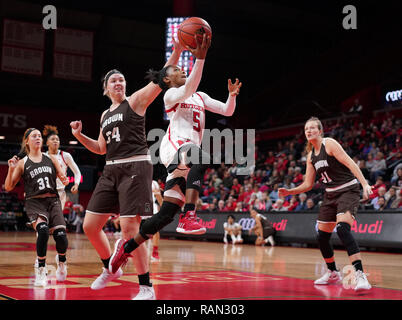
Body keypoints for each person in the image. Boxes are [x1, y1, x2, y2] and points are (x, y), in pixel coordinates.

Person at [109, 34, 242, 275]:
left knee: (164, 215)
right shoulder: (170, 95)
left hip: (188, 157)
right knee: (199, 154)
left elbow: (227, 111)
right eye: (179, 70)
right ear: (169, 79)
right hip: (175, 149)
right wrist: (200, 59)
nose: (183, 71)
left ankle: (125, 248)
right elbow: (190, 84)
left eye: (184, 69)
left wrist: (231, 96)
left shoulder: (200, 97)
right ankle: (189, 216)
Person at [69, 35, 185, 300]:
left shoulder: (134, 101)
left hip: (135, 166)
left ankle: (146, 288)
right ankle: (110, 266)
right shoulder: (104, 115)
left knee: (130, 229)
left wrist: (177, 51)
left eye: (121, 79)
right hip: (111, 169)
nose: (118, 82)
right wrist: (78, 136)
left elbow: (160, 79)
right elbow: (100, 148)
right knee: (90, 225)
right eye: (113, 80)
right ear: (106, 89)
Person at [278, 116, 373, 291]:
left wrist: (365, 184)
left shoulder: (329, 144)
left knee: (343, 229)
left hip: (347, 190)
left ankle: (360, 276)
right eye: (307, 129)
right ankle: (332, 273)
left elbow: (351, 163)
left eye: (313, 128)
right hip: (330, 196)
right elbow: (308, 184)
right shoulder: (310, 156)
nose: (309, 131)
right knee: (321, 236)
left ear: (320, 131)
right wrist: (289, 192)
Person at [4, 128, 70, 286]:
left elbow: (62, 176)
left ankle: (62, 261)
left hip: (53, 200)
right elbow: (8, 187)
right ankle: (41, 270)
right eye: (34, 136)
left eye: (40, 136)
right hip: (34, 201)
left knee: (61, 235)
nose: (38, 138)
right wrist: (11, 168)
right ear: (27, 141)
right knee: (43, 230)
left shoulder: (51, 159)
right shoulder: (22, 163)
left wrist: (65, 179)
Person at [43, 125, 81, 210]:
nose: (55, 141)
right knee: (45, 220)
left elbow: (77, 172)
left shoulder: (65, 155)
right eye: (52, 139)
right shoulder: (43, 157)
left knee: (56, 220)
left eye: (57, 139)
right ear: (47, 142)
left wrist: (76, 184)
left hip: (60, 192)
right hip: (45, 192)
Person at [150, 180, 163, 262]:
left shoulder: (154, 183)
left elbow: (158, 196)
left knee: (155, 230)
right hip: (138, 207)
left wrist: (163, 206)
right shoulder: (135, 180)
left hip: (151, 207)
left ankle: (155, 252)